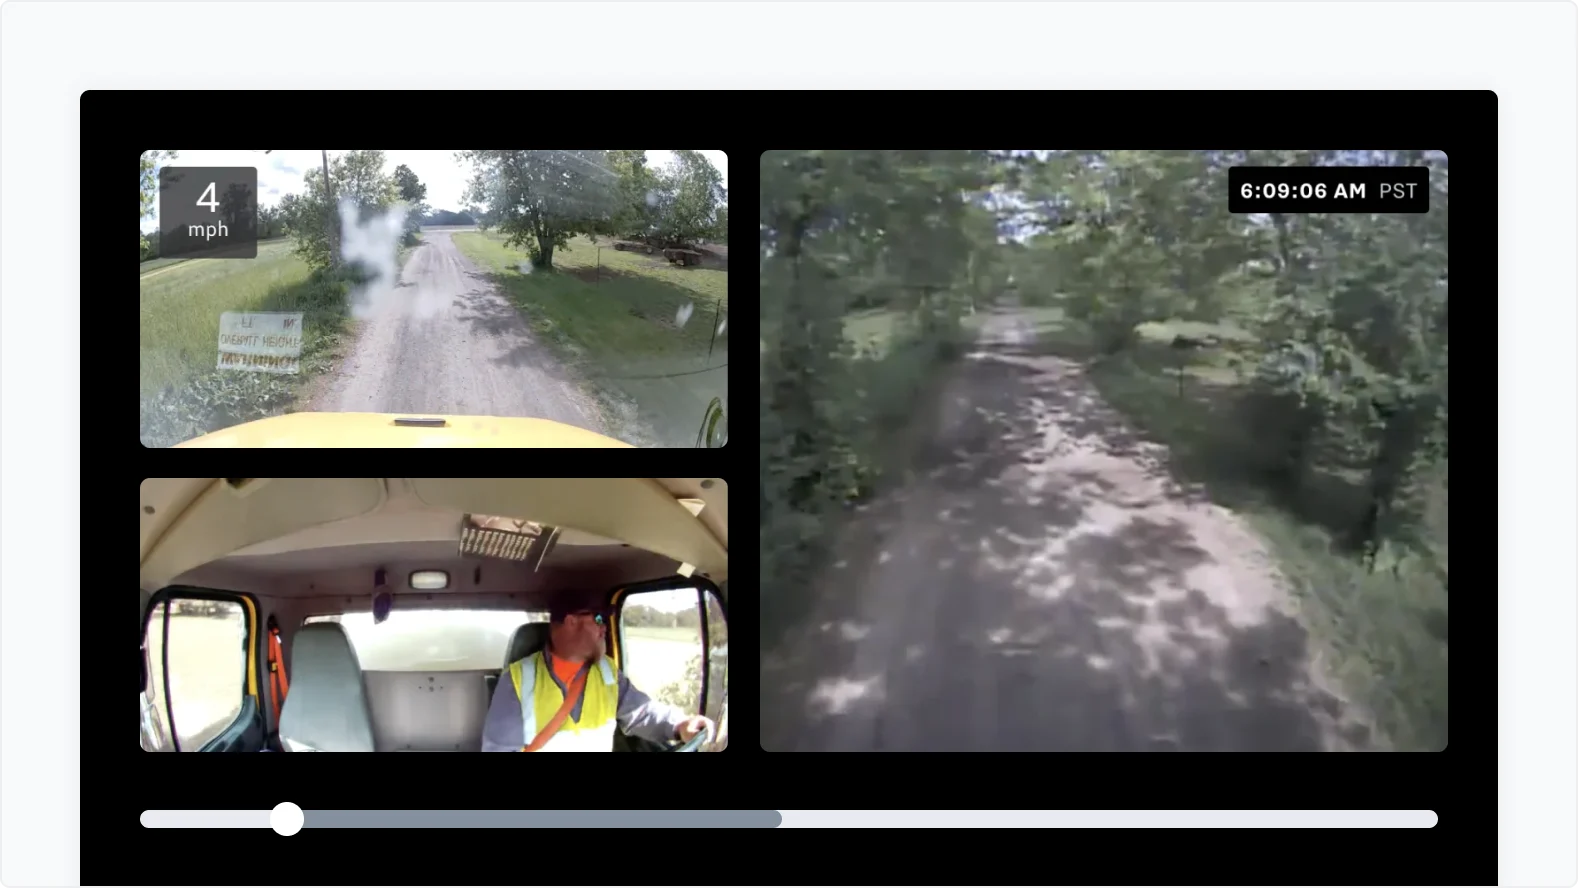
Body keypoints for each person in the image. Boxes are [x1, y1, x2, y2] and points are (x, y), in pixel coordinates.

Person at [481, 602, 714, 752]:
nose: (605, 627)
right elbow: (500, 749)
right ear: (571, 621)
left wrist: (680, 725)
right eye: (600, 619)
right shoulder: (518, 678)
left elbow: (641, 712)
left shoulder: (607, 671)